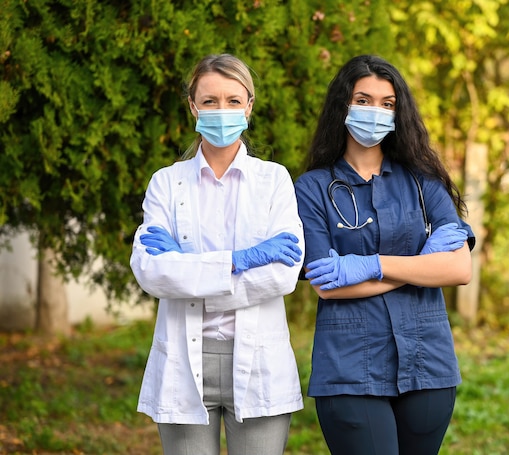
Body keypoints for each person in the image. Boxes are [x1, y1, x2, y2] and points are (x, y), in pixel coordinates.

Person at [294, 54, 475, 455]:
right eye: (363, 99)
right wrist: (423, 265)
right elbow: (328, 287)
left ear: (398, 114)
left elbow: (460, 268)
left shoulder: (424, 183)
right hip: (349, 369)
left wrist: (371, 266)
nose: (374, 111)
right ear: (343, 105)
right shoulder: (312, 188)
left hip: (428, 365)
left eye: (386, 104)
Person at [129, 54, 304, 455]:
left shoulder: (274, 180)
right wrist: (239, 260)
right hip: (182, 366)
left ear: (249, 106)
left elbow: (282, 275)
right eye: (209, 101)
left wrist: (188, 272)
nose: (221, 111)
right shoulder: (166, 183)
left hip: (260, 361)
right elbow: (151, 271)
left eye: (232, 100)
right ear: (193, 106)